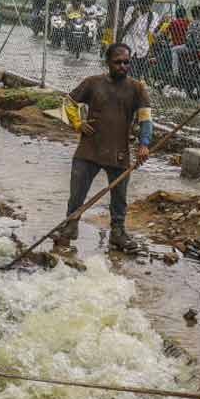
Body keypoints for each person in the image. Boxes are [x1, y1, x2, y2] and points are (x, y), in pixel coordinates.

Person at [53, 43, 152, 255]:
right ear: (107, 62)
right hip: (89, 149)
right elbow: (68, 102)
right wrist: (77, 123)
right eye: (118, 62)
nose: (122, 66)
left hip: (119, 151)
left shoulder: (137, 88)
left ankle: (118, 233)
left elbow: (146, 118)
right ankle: (70, 226)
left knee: (119, 198)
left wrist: (144, 144)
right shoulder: (92, 83)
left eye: (126, 62)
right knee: (77, 193)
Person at [121, 0, 155, 79]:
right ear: (140, 3)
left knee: (138, 75)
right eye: (144, 5)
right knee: (130, 74)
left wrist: (150, 49)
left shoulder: (152, 16)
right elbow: (124, 29)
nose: (146, 8)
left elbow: (149, 33)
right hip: (129, 46)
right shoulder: (131, 10)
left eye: (148, 6)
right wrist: (133, 19)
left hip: (142, 49)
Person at [168, 6, 190, 74]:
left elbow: (165, 33)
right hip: (186, 45)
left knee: (172, 50)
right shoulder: (188, 22)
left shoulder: (172, 23)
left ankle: (175, 73)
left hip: (176, 45)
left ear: (176, 14)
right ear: (184, 14)